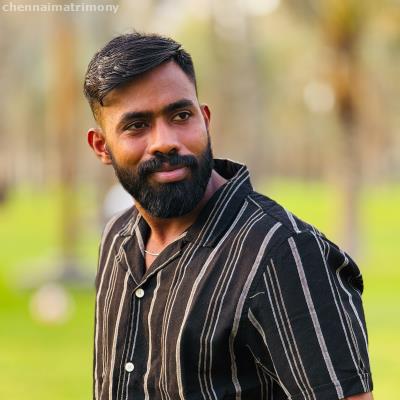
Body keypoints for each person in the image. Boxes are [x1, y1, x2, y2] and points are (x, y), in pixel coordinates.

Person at [83, 32, 373, 400]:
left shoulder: (284, 253)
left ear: (204, 120)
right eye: (136, 125)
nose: (165, 141)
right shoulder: (118, 238)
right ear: (101, 146)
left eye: (180, 115)